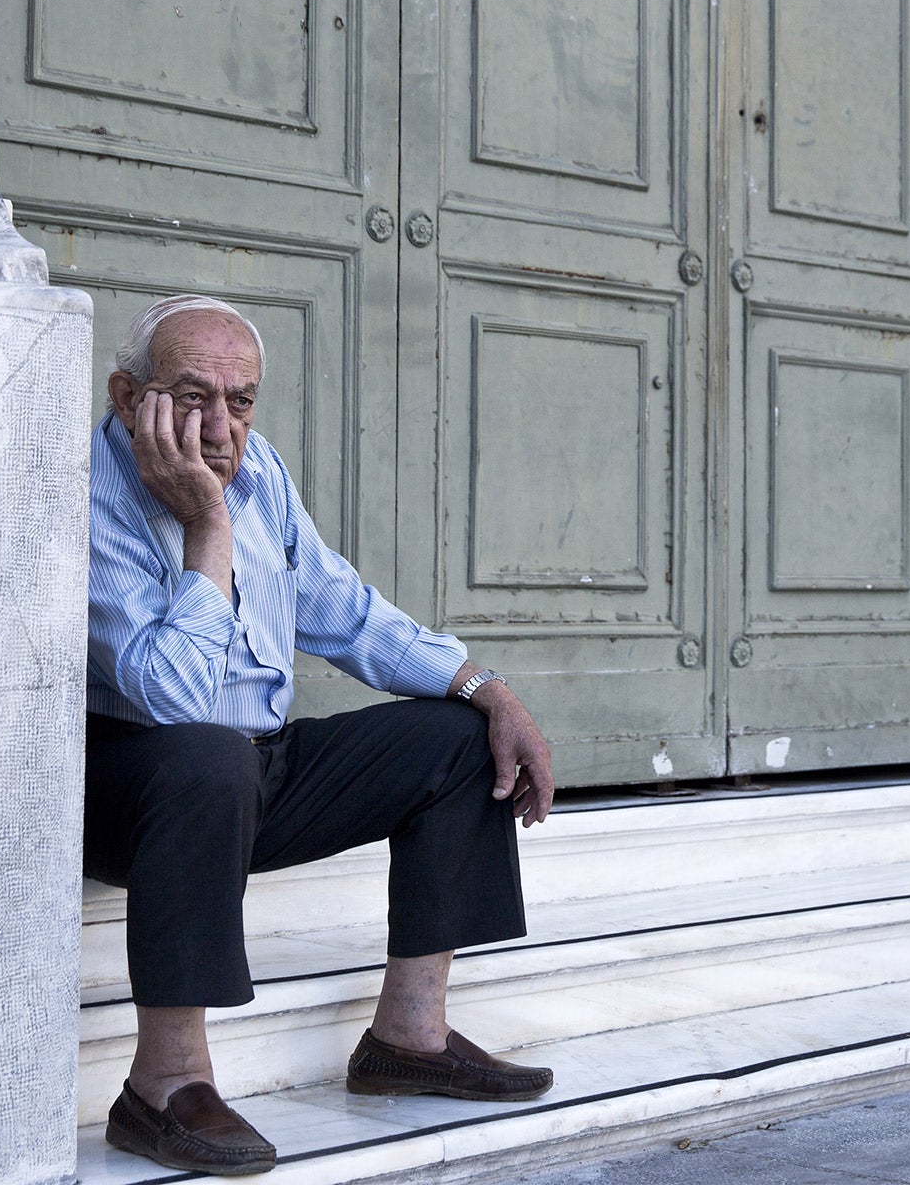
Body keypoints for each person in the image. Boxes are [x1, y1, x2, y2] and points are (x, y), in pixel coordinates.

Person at [84, 294, 557, 1176]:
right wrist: (205, 524)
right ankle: (163, 1084)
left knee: (456, 737)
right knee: (207, 751)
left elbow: (346, 613)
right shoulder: (89, 499)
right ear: (126, 397)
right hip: (133, 784)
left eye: (241, 399)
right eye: (191, 397)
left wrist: (488, 688)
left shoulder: (259, 471)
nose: (220, 427)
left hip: (246, 772)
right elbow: (175, 698)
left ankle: (407, 1038)